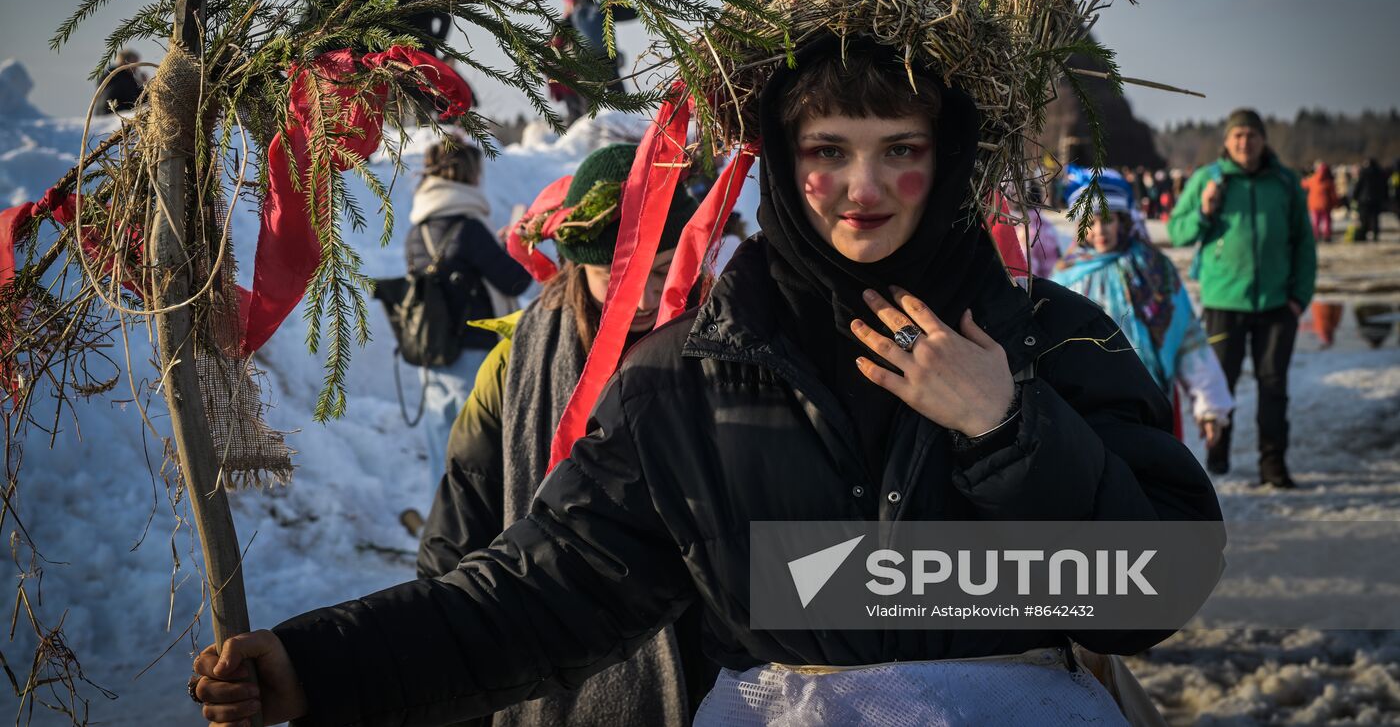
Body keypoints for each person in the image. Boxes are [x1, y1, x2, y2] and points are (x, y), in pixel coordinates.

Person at [193, 39, 1222, 727]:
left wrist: (1003, 430)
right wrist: (315, 667)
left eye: (898, 151)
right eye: (826, 151)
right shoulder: (686, 381)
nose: (861, 190)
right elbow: (547, 592)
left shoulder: (1050, 343)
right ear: (779, 160)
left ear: (945, 161)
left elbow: (1159, 582)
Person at [416, 142, 706, 727]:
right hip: (539, 655)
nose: (645, 299)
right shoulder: (515, 365)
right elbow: (461, 528)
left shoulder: (728, 350)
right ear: (578, 266)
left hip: (707, 674)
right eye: (616, 277)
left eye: (662, 271)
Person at [1168, 108, 1316, 487]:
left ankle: (1273, 465)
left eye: (1251, 135)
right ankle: (1218, 456)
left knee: (1274, 388)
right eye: (1237, 136)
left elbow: (1304, 242)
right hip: (1223, 302)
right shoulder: (1208, 179)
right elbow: (1178, 231)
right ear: (1226, 142)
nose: (1244, 142)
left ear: (1263, 139)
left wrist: (1299, 296)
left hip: (1278, 305)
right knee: (1221, 383)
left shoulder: (1284, 182)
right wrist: (1204, 209)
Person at [1053, 175, 1232, 444]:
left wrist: (1210, 404)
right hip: (1091, 409)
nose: (1100, 230)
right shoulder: (1065, 280)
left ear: (1123, 221)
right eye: (1091, 222)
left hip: (1153, 399)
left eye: (1108, 220)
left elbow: (1186, 335)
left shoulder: (1154, 269)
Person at [407, 140, 531, 487]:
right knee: (480, 447)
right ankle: (482, 527)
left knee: (441, 447)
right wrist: (519, 245)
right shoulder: (469, 228)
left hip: (433, 354)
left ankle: (443, 526)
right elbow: (515, 281)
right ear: (468, 174)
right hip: (475, 355)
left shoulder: (416, 231)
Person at [1301, 161, 1339, 243]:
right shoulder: (1329, 182)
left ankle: (1315, 236)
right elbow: (1333, 194)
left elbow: (1304, 184)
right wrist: (1336, 203)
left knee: (1315, 221)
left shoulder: (1313, 178)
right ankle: (1327, 236)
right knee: (1327, 221)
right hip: (1326, 204)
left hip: (1314, 204)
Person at [1352, 157, 1388, 242]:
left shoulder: (1364, 172)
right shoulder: (1380, 173)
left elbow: (1359, 185)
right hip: (1376, 199)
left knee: (1364, 218)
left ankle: (1363, 234)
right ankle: (1375, 234)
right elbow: (1384, 186)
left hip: (1364, 199)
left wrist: (1355, 196)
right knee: (1374, 218)